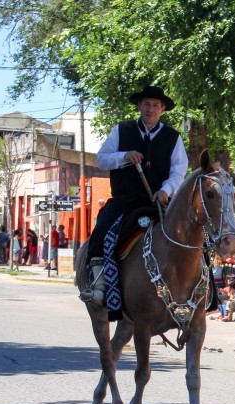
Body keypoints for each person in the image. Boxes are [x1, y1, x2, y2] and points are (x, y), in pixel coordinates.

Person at [85, 85, 189, 305]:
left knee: (192, 236)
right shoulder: (122, 130)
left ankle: (199, 291)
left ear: (162, 109)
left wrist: (166, 190)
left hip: (158, 203)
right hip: (125, 202)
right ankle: (99, 283)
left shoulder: (173, 137)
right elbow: (102, 159)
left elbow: (179, 171)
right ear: (139, 106)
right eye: (146, 104)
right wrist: (125, 156)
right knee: (101, 229)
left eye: (155, 105)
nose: (150, 109)